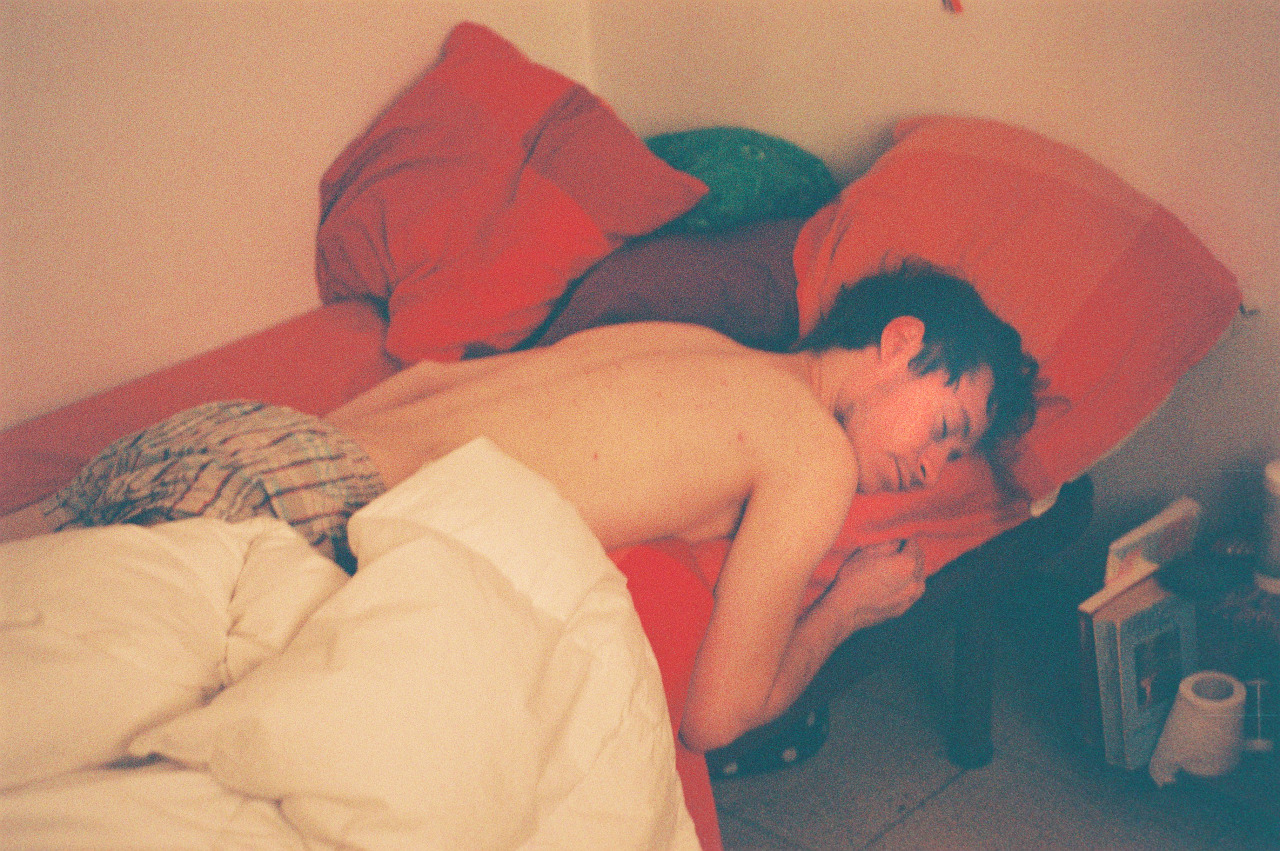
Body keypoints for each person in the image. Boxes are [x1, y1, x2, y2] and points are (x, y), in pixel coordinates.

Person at [2, 260, 1038, 753]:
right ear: (901, 342)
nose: (933, 469)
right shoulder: (810, 450)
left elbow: (425, 381)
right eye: (946, 427)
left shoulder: (691, 345)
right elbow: (716, 716)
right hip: (284, 512)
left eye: (954, 458)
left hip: (242, 438)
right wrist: (847, 607)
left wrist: (294, 459)